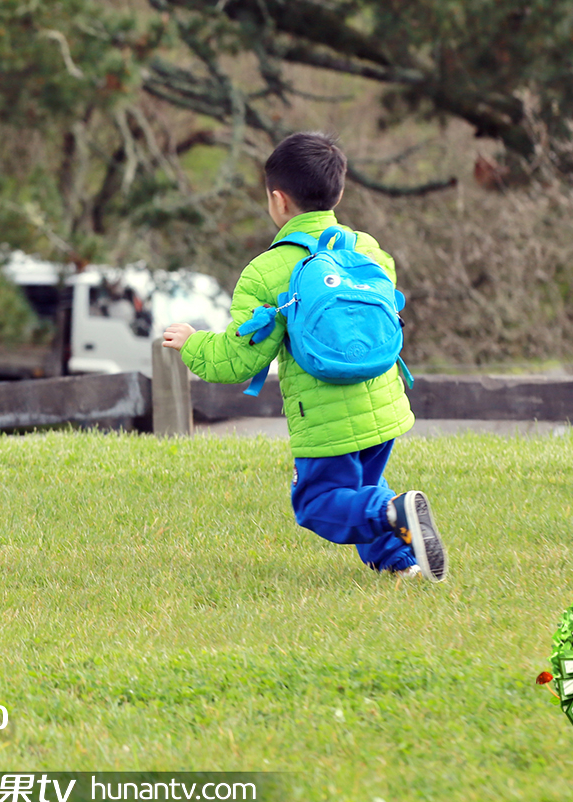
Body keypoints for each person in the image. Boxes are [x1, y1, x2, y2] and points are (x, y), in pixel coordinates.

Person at [160, 132, 447, 581]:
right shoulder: (368, 250)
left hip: (325, 418)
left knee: (317, 503)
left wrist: (192, 343)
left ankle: (394, 512)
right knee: (362, 486)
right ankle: (402, 563)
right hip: (383, 403)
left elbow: (240, 358)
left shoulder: (266, 272)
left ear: (278, 200)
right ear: (339, 192)